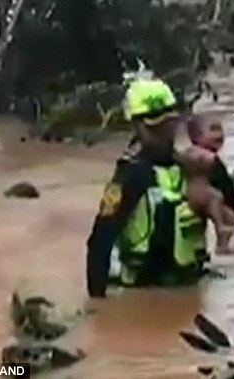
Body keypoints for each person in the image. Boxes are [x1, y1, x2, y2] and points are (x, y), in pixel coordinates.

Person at [86, 78, 209, 298]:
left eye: (168, 125)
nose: (163, 134)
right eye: (155, 127)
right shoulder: (130, 175)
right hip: (144, 291)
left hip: (188, 288)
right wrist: (97, 305)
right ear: (137, 127)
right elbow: (99, 242)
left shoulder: (187, 166)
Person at [176, 139, 234, 256]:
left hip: (201, 197)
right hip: (198, 198)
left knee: (229, 215)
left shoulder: (202, 170)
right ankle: (219, 226)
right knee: (215, 196)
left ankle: (222, 246)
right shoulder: (192, 161)